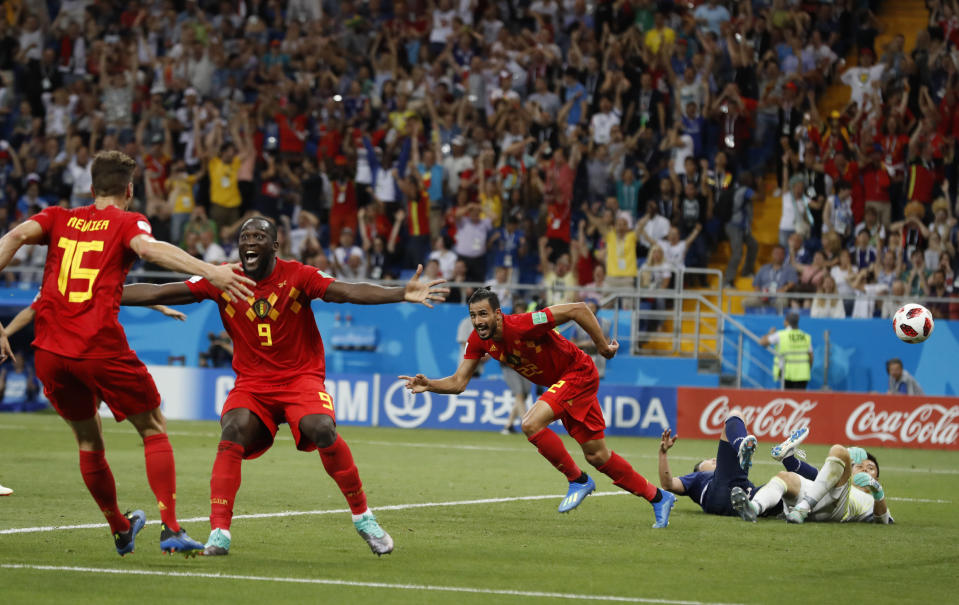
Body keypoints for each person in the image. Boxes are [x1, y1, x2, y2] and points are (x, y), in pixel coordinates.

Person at [118, 216, 448, 557]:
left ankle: (363, 517)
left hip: (300, 379)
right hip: (252, 384)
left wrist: (400, 293)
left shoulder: (299, 276)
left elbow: (347, 291)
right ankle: (219, 532)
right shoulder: (222, 278)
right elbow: (160, 291)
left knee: (321, 428)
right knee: (232, 429)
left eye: (259, 236)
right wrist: (104, 292)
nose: (249, 241)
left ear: (274, 246)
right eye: (245, 235)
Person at [0, 150, 254, 557]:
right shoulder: (127, 221)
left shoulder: (57, 217)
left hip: (49, 350)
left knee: (88, 441)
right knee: (153, 426)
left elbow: (12, 237)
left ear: (92, 186)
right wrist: (212, 270)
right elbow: (149, 249)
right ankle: (170, 528)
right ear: (129, 190)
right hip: (98, 346)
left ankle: (121, 527)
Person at [399, 289, 677, 527]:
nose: (478, 321)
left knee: (530, 423)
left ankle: (578, 480)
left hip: (578, 372)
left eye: (483, 314)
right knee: (597, 456)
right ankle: (659, 497)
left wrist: (602, 346)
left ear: (498, 314)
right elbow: (459, 383)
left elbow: (578, 309)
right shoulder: (478, 340)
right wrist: (430, 385)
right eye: (473, 315)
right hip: (564, 384)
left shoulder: (524, 323)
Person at [733, 440, 893, 525]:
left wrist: (877, 490)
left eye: (870, 468)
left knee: (838, 449)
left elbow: (883, 521)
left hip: (839, 507)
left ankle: (802, 508)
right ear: (850, 470)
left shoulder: (871, 499)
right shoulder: (831, 480)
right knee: (785, 477)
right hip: (816, 497)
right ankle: (753, 508)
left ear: (877, 478)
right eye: (859, 466)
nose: (865, 469)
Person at [657, 411, 761, 517]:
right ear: (699, 470)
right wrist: (663, 453)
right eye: (709, 460)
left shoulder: (733, 471)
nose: (714, 459)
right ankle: (741, 446)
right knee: (736, 414)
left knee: (778, 481)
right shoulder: (697, 478)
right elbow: (667, 484)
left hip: (746, 498)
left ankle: (759, 507)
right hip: (720, 493)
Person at [760, 312, 813, 389]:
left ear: (786, 322)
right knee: (800, 399)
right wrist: (807, 369)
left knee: (788, 398)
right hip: (803, 374)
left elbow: (762, 342)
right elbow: (811, 356)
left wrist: (770, 333)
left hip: (787, 373)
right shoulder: (805, 336)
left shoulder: (780, 335)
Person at [499, 364, 531, 435]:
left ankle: (508, 425)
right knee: (519, 394)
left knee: (524, 395)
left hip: (525, 366)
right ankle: (526, 423)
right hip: (509, 366)